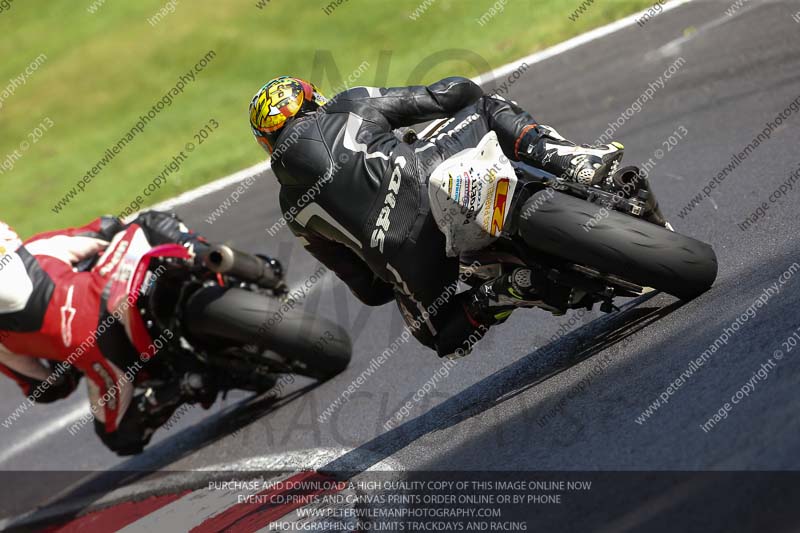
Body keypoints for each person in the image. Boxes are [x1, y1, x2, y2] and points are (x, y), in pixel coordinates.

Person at [248, 76, 633, 357]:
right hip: (427, 175)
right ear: (314, 99)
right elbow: (447, 95)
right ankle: (571, 160)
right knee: (487, 107)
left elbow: (369, 291)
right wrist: (465, 89)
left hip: (406, 257)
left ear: (268, 143)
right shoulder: (350, 104)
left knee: (439, 334)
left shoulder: (291, 208)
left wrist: (392, 265)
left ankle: (504, 291)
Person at [0, 212, 214, 455]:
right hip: (110, 292)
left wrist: (63, 360)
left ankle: (184, 386)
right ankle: (205, 256)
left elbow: (48, 388)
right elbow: (106, 228)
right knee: (147, 222)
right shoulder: (39, 248)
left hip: (104, 360)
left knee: (118, 436)